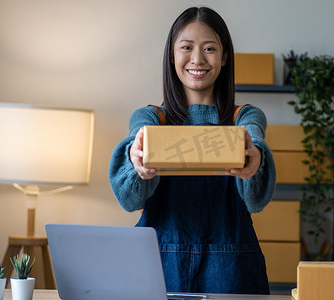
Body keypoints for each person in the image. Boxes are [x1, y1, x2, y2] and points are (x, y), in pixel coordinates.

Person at [109, 6, 276, 295]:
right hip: (156, 266)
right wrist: (136, 160)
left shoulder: (245, 117)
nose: (197, 59)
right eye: (186, 47)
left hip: (231, 271)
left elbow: (254, 146)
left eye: (209, 48)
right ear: (172, 55)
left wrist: (254, 159)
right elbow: (129, 197)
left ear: (224, 57)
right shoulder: (149, 120)